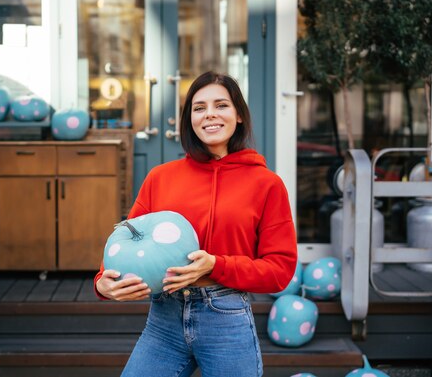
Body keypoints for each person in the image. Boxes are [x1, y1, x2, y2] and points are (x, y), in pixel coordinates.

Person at [94, 71, 297, 377]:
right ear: (189, 118)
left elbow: (280, 270)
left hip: (225, 318)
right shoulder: (160, 178)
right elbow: (126, 239)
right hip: (164, 317)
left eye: (221, 105)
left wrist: (215, 265)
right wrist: (102, 282)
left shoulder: (266, 184)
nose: (210, 115)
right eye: (199, 108)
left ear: (239, 114)